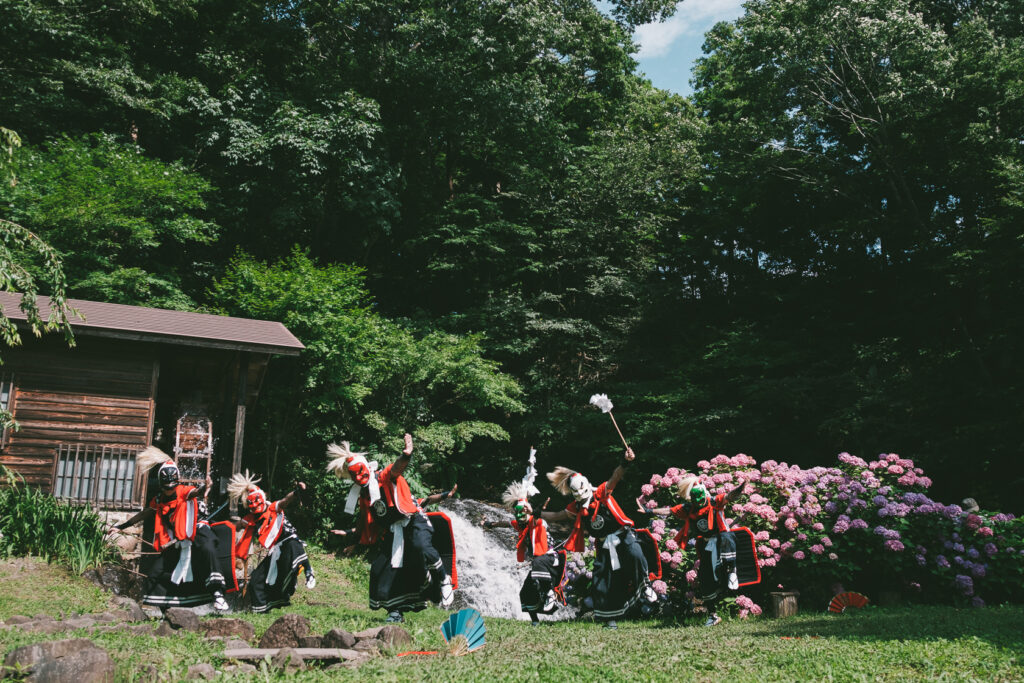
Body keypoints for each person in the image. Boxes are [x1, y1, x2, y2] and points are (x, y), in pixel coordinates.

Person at [327, 433, 456, 623]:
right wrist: (352, 539)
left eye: (360, 471)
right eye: (353, 475)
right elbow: (363, 522)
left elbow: (397, 468)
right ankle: (395, 611)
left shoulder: (383, 477)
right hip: (393, 532)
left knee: (421, 545)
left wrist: (406, 455)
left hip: (413, 520)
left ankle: (444, 579)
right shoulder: (364, 495)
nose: (358, 476)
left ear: (366, 467)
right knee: (381, 569)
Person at [541, 448, 658, 629]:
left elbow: (615, 477)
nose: (581, 497)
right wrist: (535, 513)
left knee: (636, 554)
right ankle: (609, 619)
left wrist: (625, 463)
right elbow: (557, 516)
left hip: (623, 536)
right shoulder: (577, 506)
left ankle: (645, 586)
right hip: (603, 545)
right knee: (602, 580)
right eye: (577, 494)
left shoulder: (601, 493)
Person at [113, 447, 229, 610]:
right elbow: (144, 514)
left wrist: (205, 487)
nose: (169, 490)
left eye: (172, 487)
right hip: (179, 538)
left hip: (197, 529)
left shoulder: (183, 492)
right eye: (166, 487)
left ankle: (218, 594)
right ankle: (165, 610)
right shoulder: (160, 499)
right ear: (161, 485)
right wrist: (121, 526)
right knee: (156, 572)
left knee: (207, 548)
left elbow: (195, 492)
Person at [647, 476, 752, 626]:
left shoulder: (715, 502)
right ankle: (713, 615)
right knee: (704, 577)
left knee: (727, 536)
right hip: (706, 545)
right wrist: (649, 511)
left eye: (700, 500)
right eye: (695, 501)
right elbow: (669, 511)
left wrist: (741, 488)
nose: (698, 503)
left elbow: (730, 496)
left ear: (704, 495)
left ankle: (731, 570)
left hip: (722, 541)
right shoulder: (688, 508)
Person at [228, 471, 315, 613]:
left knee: (293, 546)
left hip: (288, 542)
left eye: (257, 504)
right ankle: (261, 609)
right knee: (256, 579)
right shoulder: (251, 518)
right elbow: (234, 527)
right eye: (252, 506)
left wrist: (296, 491)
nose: (256, 508)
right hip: (274, 551)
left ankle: (309, 572)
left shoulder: (272, 508)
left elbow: (285, 501)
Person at [481, 483, 565, 625]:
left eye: (523, 512)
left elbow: (538, 517)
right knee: (525, 592)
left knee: (538, 563)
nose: (519, 515)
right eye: (517, 512)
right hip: (539, 563)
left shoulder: (537, 521)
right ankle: (535, 622)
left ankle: (550, 594)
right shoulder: (520, 525)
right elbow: (506, 523)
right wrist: (490, 524)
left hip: (551, 559)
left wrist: (534, 510)